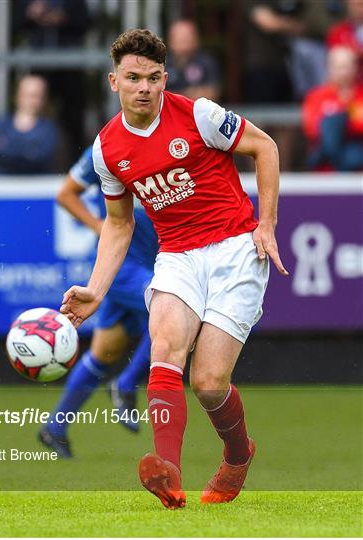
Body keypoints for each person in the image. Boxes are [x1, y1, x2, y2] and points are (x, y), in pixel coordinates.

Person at [60, 28, 288, 509]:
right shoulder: (107, 150)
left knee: (208, 382)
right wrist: (97, 290)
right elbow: (118, 225)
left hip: (235, 250)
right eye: (133, 77)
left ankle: (238, 453)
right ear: (113, 81)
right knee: (164, 347)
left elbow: (265, 147)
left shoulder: (199, 115)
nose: (144, 87)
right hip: (177, 255)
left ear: (166, 78)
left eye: (154, 77)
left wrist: (266, 224)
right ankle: (168, 473)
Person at [39, 145, 158, 456]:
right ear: (118, 92)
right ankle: (127, 383)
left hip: (151, 264)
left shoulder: (174, 142)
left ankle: (54, 428)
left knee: (105, 352)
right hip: (120, 268)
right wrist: (100, 227)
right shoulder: (110, 147)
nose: (143, 92)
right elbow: (66, 193)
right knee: (171, 311)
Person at [14, 0, 91, 163]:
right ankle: (30, 160)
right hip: (39, 62)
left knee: (73, 120)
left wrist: (64, 18)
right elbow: (15, 22)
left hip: (70, 66)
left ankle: (75, 165)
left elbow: (85, 21)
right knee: (33, 113)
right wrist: (30, 12)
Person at [302, 46, 363, 171]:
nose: (344, 72)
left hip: (357, 153)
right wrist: (346, 120)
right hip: (327, 159)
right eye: (339, 67)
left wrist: (343, 122)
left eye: (347, 66)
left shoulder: (361, 94)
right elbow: (312, 128)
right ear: (329, 68)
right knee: (331, 125)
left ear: (356, 68)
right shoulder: (317, 95)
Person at [0, 75, 59, 175]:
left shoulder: (49, 129)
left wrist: (9, 148)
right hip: (1, 186)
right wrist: (29, 150)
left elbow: (42, 156)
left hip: (36, 186)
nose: (33, 101)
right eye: (29, 95)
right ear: (17, 96)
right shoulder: (0, 124)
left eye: (38, 96)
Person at [165, 19, 220, 101]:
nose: (184, 42)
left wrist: (172, 96)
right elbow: (156, 95)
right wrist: (190, 93)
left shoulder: (206, 62)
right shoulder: (161, 63)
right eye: (180, 38)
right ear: (171, 40)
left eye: (187, 37)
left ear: (196, 39)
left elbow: (212, 93)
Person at [327, 0, 363, 80]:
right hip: (350, 83)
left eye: (361, 4)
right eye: (356, 5)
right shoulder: (337, 32)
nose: (360, 9)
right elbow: (336, 63)